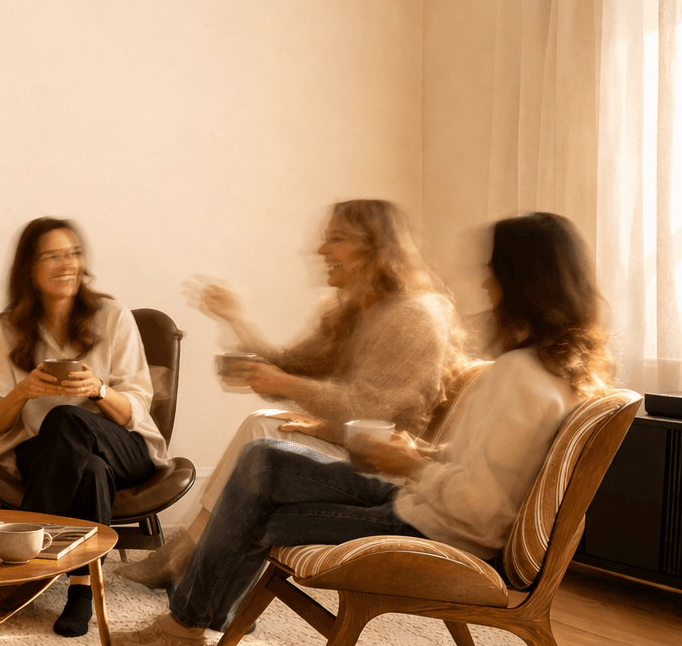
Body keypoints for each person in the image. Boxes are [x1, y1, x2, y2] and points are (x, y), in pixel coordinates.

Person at [116, 212, 609, 646]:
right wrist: (422, 457)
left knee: (253, 511)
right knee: (264, 456)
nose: (484, 281)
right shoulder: (545, 372)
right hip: (423, 497)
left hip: (432, 529)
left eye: (492, 270)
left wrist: (412, 464)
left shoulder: (514, 375)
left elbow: (481, 509)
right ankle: (184, 607)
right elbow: (485, 471)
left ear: (517, 281)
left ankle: (183, 624)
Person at [119, 199, 463, 589]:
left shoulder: (413, 315)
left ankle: (187, 556)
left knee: (261, 431)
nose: (321, 251)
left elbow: (367, 408)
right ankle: (188, 556)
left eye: (337, 239)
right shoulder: (354, 309)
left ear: (377, 247)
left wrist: (285, 386)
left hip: (386, 469)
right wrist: (235, 319)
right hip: (352, 445)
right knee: (263, 423)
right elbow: (290, 364)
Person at [0, 217, 170, 637]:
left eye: (74, 253)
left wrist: (99, 390)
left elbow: (139, 403)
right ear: (29, 269)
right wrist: (23, 390)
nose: (68, 264)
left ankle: (25, 571)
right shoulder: (8, 331)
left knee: (67, 420)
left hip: (126, 447)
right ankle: (82, 591)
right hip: (44, 454)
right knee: (88, 467)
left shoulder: (112, 316)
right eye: (53, 256)